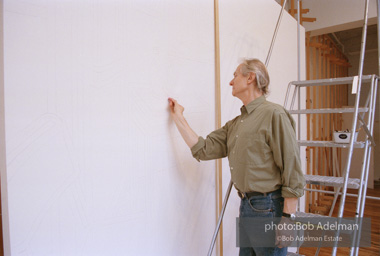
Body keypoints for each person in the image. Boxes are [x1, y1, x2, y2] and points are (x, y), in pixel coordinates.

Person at [168, 58, 305, 256]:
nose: (231, 82)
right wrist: (178, 118)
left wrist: (287, 218)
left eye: (235, 75)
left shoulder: (274, 114)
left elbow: (292, 168)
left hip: (269, 208)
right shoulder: (236, 124)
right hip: (247, 205)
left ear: (250, 77)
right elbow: (204, 149)